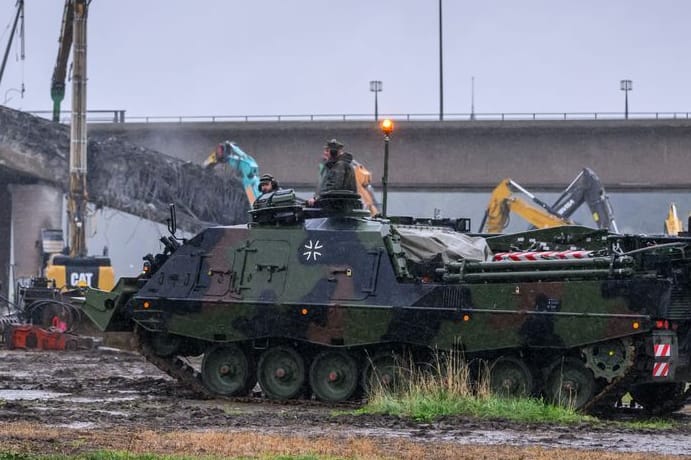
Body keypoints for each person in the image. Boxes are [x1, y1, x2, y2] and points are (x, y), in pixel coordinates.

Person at [306, 139, 357, 207]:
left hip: (337, 207)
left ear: (333, 152)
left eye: (327, 151)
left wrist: (316, 198)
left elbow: (333, 188)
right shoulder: (335, 166)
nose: (325, 153)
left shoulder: (340, 166)